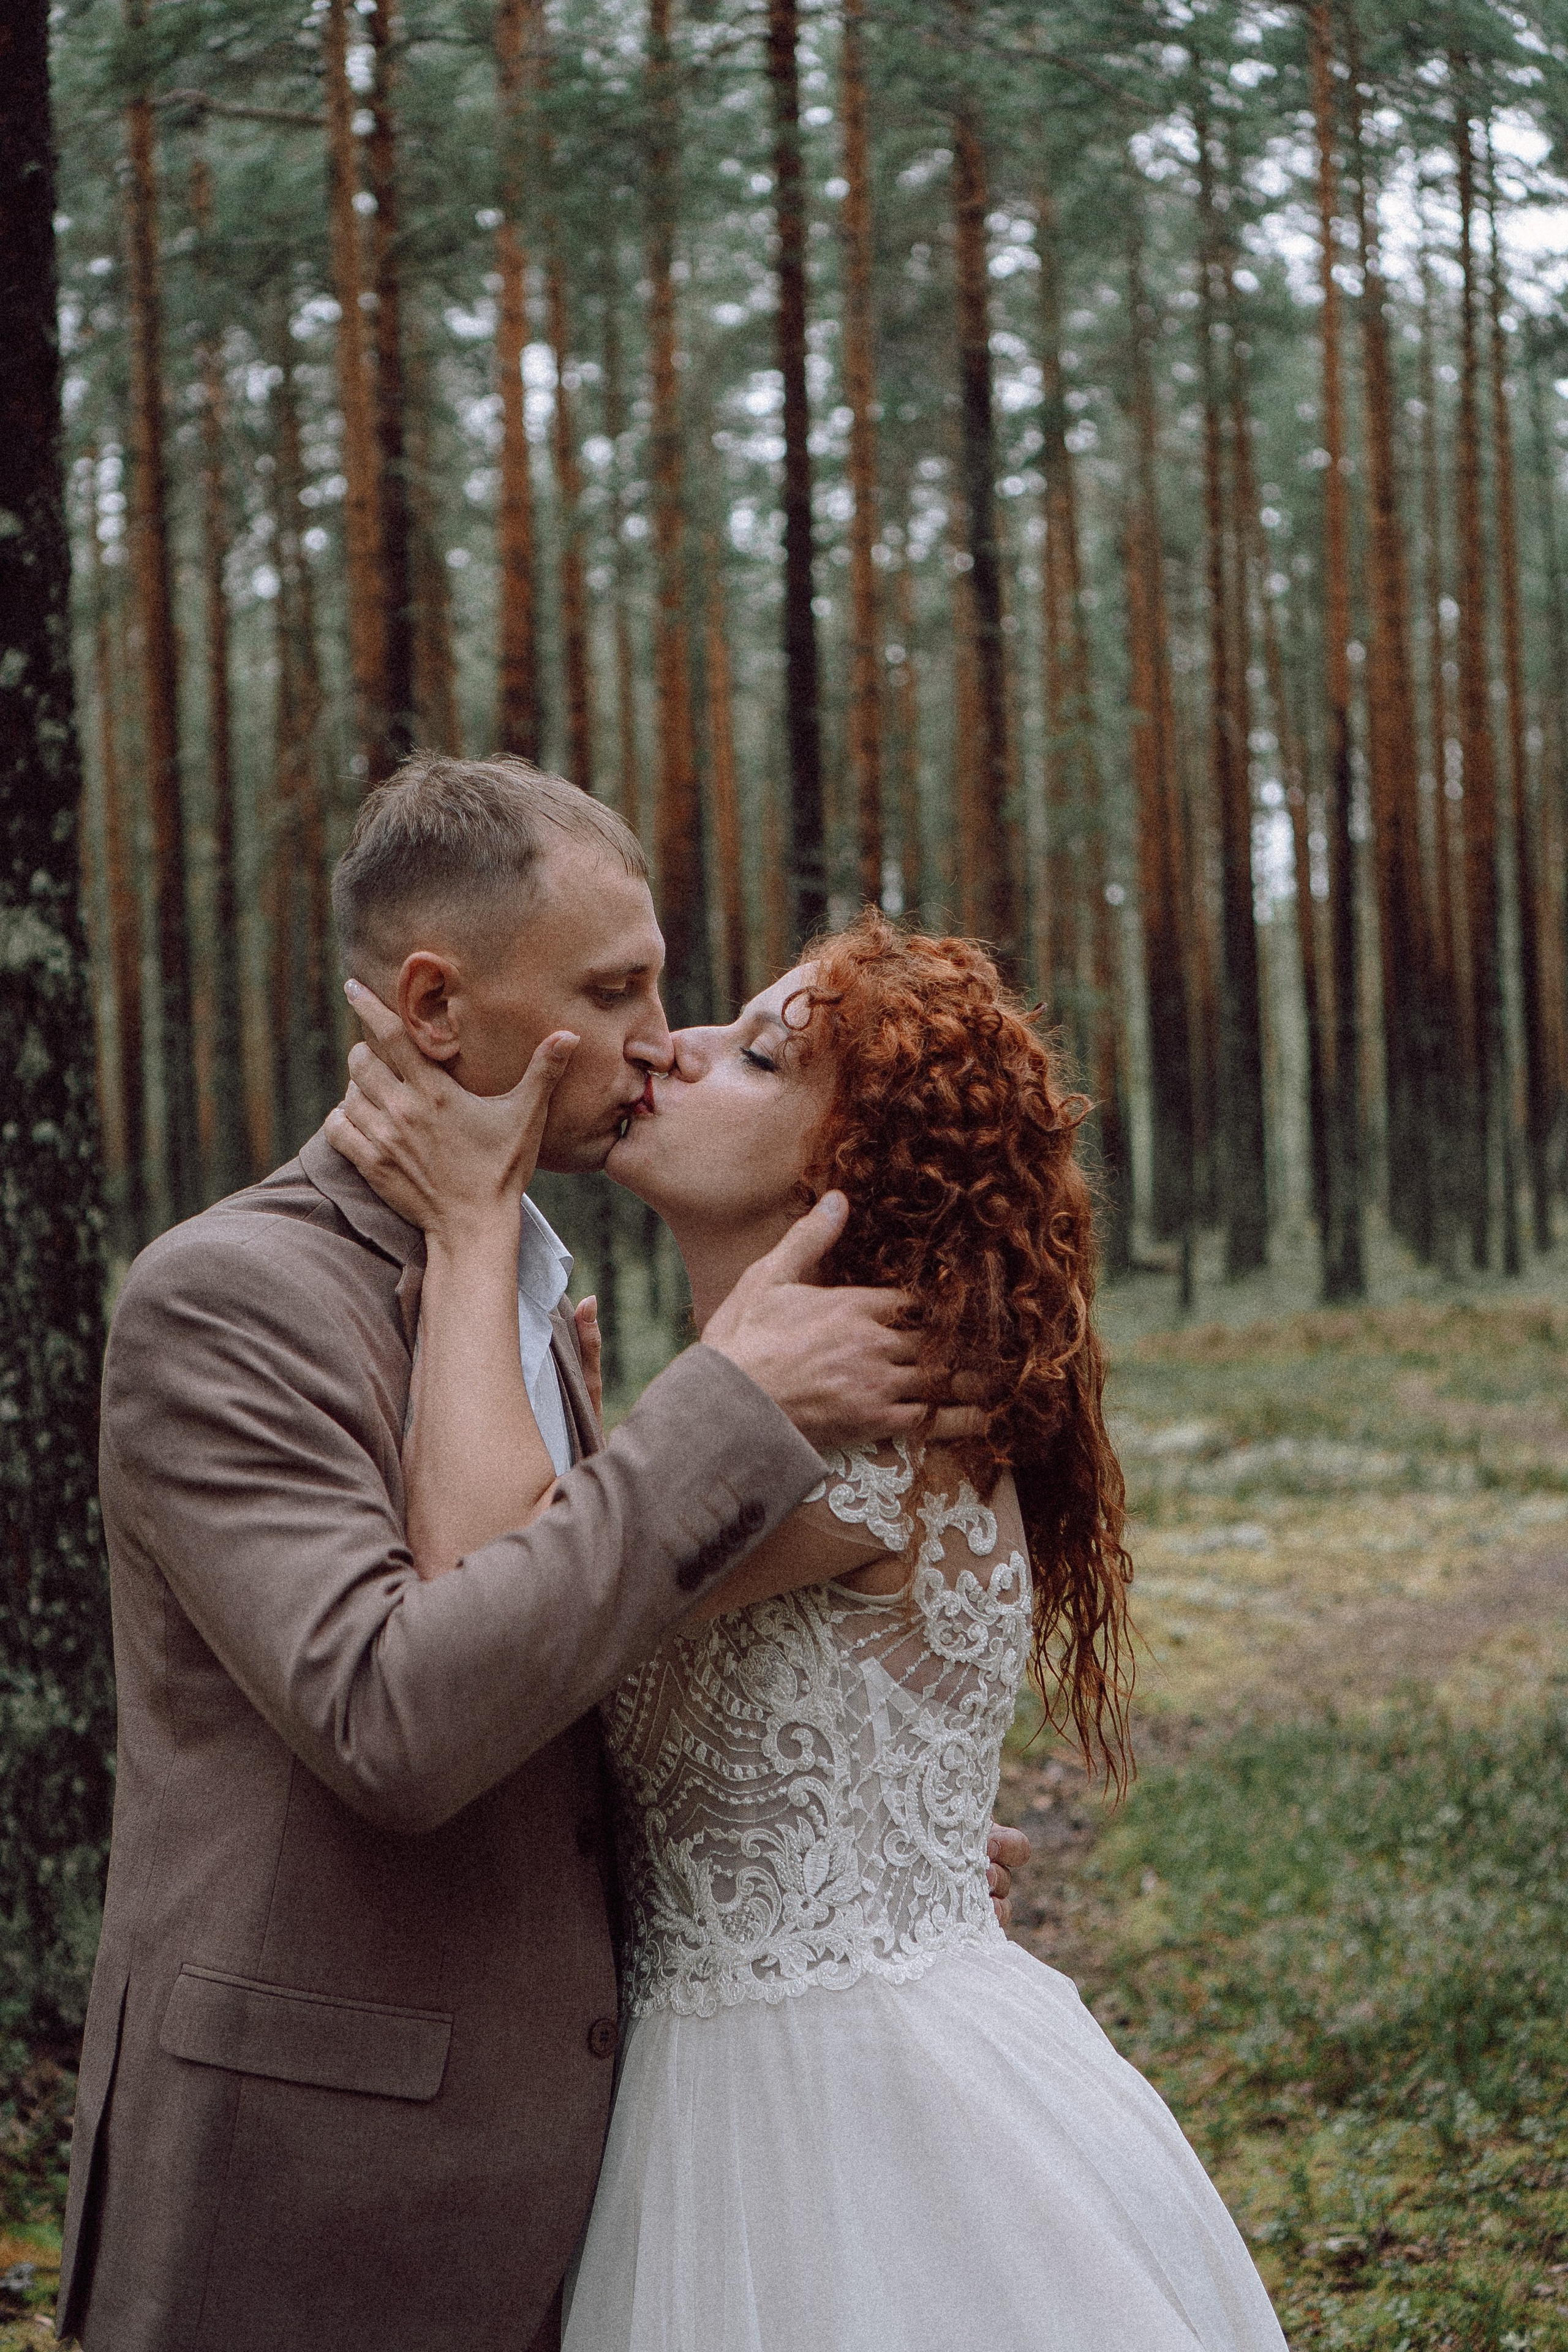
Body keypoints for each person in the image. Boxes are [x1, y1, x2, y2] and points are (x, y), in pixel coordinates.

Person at [58, 757, 1021, 2352]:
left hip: (573, 2179)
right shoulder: (226, 1301)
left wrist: (833, 1836)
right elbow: (400, 1715)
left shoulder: (527, 1286)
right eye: (615, 987)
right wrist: (726, 1405)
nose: (659, 1032)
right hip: (315, 2202)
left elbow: (561, 1645)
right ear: (438, 1008)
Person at [334, 907, 1289, 2350]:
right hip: (749, 2059)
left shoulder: (868, 1436)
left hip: (830, 2108)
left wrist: (474, 1228)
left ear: (846, 1174)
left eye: (759, 1058)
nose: (674, 1044)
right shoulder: (799, 1419)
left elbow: (481, 1588)